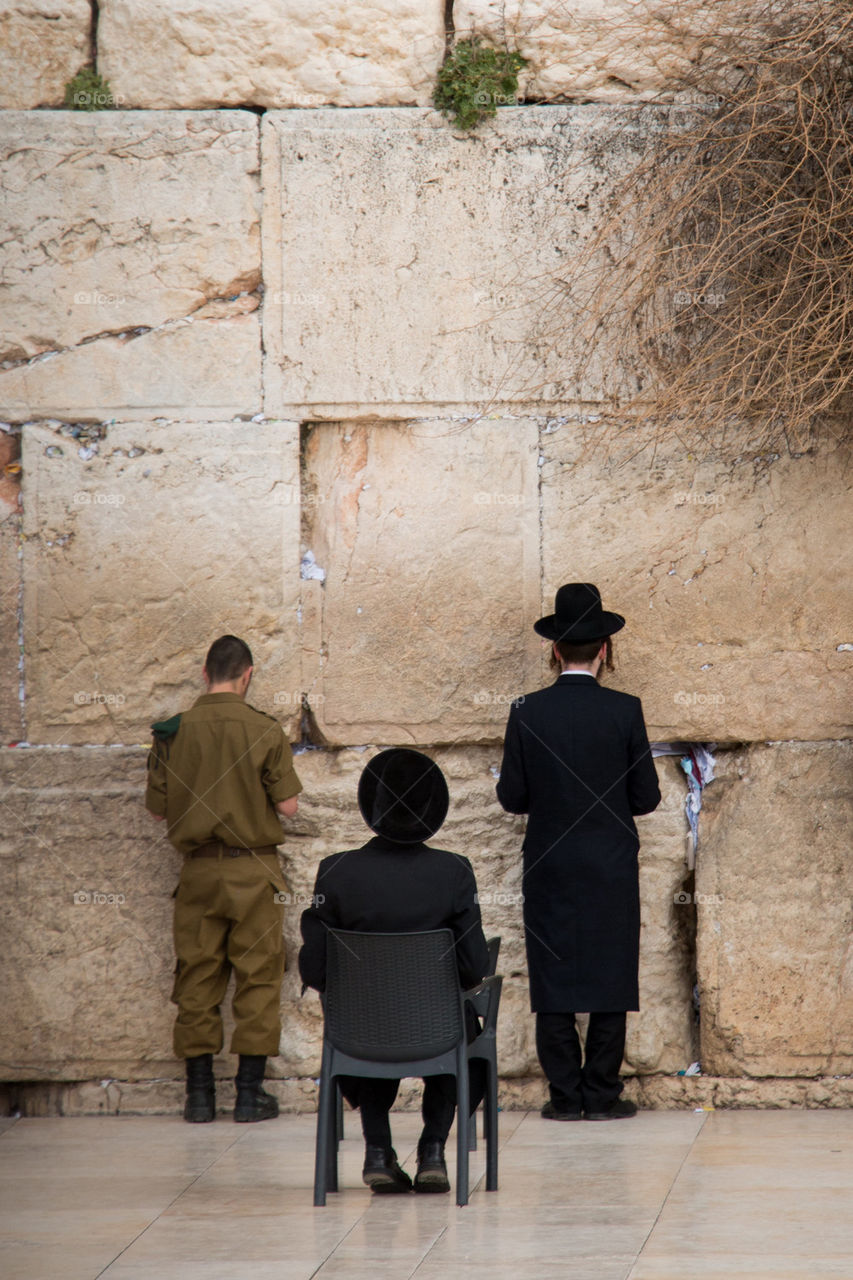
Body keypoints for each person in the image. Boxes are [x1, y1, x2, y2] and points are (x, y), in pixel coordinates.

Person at [496, 583, 661, 1121]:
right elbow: (647, 797)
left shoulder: (526, 711)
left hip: (549, 863)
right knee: (613, 969)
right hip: (610, 864)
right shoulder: (626, 710)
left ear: (553, 650)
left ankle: (565, 1097)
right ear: (605, 650)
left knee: (554, 970)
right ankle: (603, 1094)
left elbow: (512, 798)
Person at [299, 748, 490, 1194]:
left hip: (358, 1032)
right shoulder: (453, 872)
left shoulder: (336, 872)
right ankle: (432, 1150)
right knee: (470, 1038)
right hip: (438, 1029)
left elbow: (315, 969)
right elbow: (474, 967)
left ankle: (378, 1151)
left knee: (365, 1023)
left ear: (372, 806)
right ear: (433, 808)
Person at [145, 634, 302, 1124]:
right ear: (248, 675)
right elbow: (289, 806)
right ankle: (250, 1096)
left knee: (196, 977)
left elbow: (156, 810)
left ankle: (199, 1097)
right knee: (258, 977)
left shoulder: (172, 732)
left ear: (204, 673)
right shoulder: (263, 729)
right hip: (253, 870)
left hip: (197, 873)